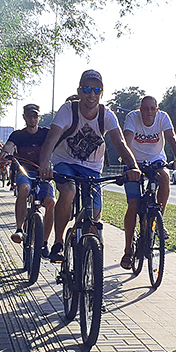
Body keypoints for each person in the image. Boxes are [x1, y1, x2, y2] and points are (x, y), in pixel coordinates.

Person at [39, 70, 141, 263]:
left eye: (96, 90)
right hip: (65, 162)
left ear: (102, 93)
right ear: (79, 91)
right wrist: (45, 164)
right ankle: (59, 242)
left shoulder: (107, 115)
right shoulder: (68, 110)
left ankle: (86, 260)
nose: (91, 94)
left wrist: (133, 167)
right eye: (87, 89)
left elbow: (120, 143)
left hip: (92, 169)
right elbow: (51, 140)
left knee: (94, 218)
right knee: (68, 191)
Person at [118, 96, 176, 269]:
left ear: (157, 109)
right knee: (133, 205)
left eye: (152, 108)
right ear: (140, 110)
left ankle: (157, 221)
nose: (149, 112)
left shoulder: (163, 117)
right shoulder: (133, 117)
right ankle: (128, 250)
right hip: (134, 163)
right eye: (145, 109)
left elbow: (171, 138)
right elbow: (126, 140)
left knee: (164, 177)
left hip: (156, 161)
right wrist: (129, 163)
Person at [4, 103, 56, 247]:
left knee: (51, 202)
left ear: (39, 117)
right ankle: (19, 229)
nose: (32, 119)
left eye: (35, 116)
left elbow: (57, 142)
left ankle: (44, 242)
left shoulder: (46, 133)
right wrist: (5, 152)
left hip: (43, 172)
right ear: (24, 117)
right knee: (24, 189)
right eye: (29, 116)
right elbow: (8, 146)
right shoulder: (18, 135)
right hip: (24, 171)